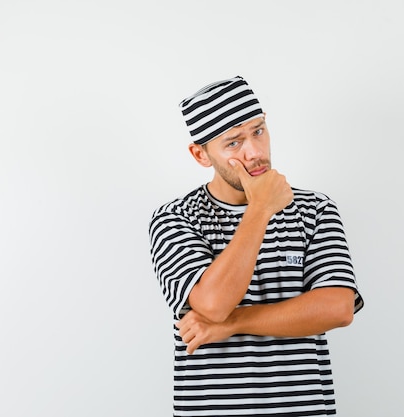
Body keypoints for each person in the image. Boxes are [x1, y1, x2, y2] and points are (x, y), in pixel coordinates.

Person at [148, 75, 364, 416]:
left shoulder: (316, 209)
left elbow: (338, 308)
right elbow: (212, 305)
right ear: (200, 154)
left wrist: (233, 324)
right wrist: (261, 208)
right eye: (233, 143)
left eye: (258, 131)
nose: (254, 152)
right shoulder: (175, 218)